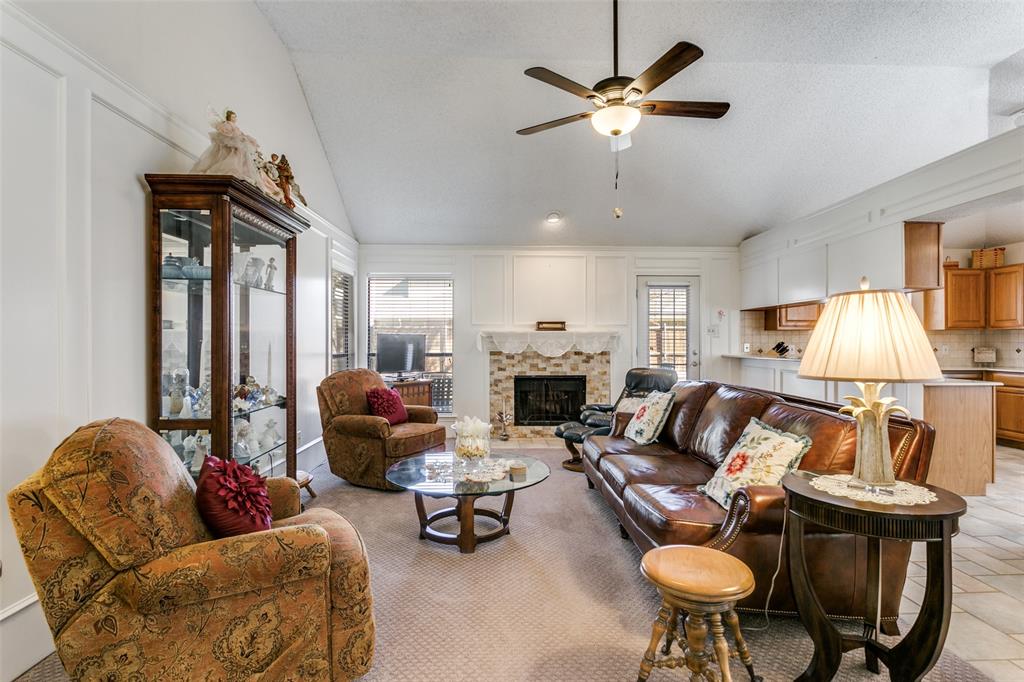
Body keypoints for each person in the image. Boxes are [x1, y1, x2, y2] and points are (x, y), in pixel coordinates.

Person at [191, 110, 261, 187]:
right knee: (230, 160)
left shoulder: (235, 126)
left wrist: (244, 138)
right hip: (231, 143)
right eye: (233, 117)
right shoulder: (226, 124)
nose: (235, 118)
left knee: (239, 157)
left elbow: (239, 134)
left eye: (235, 117)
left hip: (236, 144)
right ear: (229, 117)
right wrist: (235, 137)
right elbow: (225, 132)